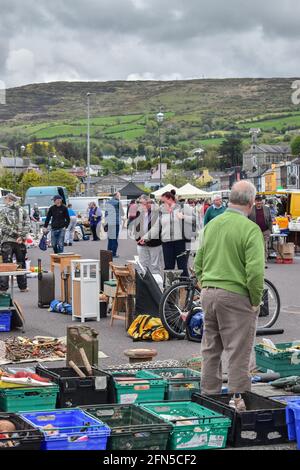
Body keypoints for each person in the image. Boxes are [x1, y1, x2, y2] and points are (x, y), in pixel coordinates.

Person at [194, 181, 264, 410]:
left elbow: (198, 262)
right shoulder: (250, 229)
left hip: (209, 293)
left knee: (210, 348)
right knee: (238, 350)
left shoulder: (212, 224)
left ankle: (209, 398)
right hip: (235, 295)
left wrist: (205, 284)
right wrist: (255, 300)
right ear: (251, 203)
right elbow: (254, 273)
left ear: (229, 199)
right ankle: (238, 401)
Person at [142, 190, 196, 278]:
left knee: (182, 267)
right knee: (168, 267)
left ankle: (184, 288)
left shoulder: (183, 208)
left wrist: (184, 217)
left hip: (180, 242)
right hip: (167, 243)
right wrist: (145, 238)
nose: (162, 203)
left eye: (163, 201)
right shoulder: (161, 211)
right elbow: (156, 227)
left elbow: (195, 219)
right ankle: (169, 289)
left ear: (170, 199)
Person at [0, 193, 31, 293]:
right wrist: (21, 236)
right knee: (21, 264)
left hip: (7, 241)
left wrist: (15, 234)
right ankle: (23, 287)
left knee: (6, 264)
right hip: (20, 242)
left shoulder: (3, 210)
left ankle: (3, 288)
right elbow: (28, 224)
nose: (5, 200)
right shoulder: (23, 210)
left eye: (5, 199)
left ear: (9, 199)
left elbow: (3, 226)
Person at [133, 195, 163, 276]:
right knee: (142, 266)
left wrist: (145, 238)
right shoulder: (139, 212)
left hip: (154, 243)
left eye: (142, 203)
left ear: (149, 203)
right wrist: (138, 238)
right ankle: (143, 286)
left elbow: (156, 229)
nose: (140, 205)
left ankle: (157, 286)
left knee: (155, 266)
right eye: (139, 203)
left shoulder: (156, 212)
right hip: (141, 243)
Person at [248, 195, 273, 265]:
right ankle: (255, 260)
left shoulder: (266, 209)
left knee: (264, 246)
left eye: (260, 201)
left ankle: (264, 261)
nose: (259, 202)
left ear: (262, 201)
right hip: (254, 231)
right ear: (254, 202)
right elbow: (247, 219)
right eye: (257, 201)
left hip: (265, 231)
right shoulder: (250, 209)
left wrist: (270, 230)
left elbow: (270, 220)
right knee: (255, 246)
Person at [105, 192, 125, 258]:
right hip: (116, 222)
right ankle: (113, 253)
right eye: (119, 195)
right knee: (114, 238)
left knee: (110, 238)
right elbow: (122, 213)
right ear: (116, 195)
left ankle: (108, 252)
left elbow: (106, 213)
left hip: (109, 222)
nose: (120, 197)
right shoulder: (118, 202)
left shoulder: (108, 202)